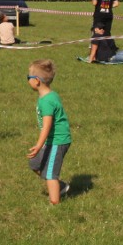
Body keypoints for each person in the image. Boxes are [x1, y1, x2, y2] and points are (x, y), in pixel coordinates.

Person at [26, 59, 72, 205]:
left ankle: (55, 204)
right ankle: (61, 186)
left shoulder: (47, 101)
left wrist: (39, 145)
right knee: (34, 164)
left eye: (29, 77)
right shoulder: (48, 96)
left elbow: (47, 126)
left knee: (50, 173)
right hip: (50, 141)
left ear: (37, 81)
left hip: (57, 141)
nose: (28, 80)